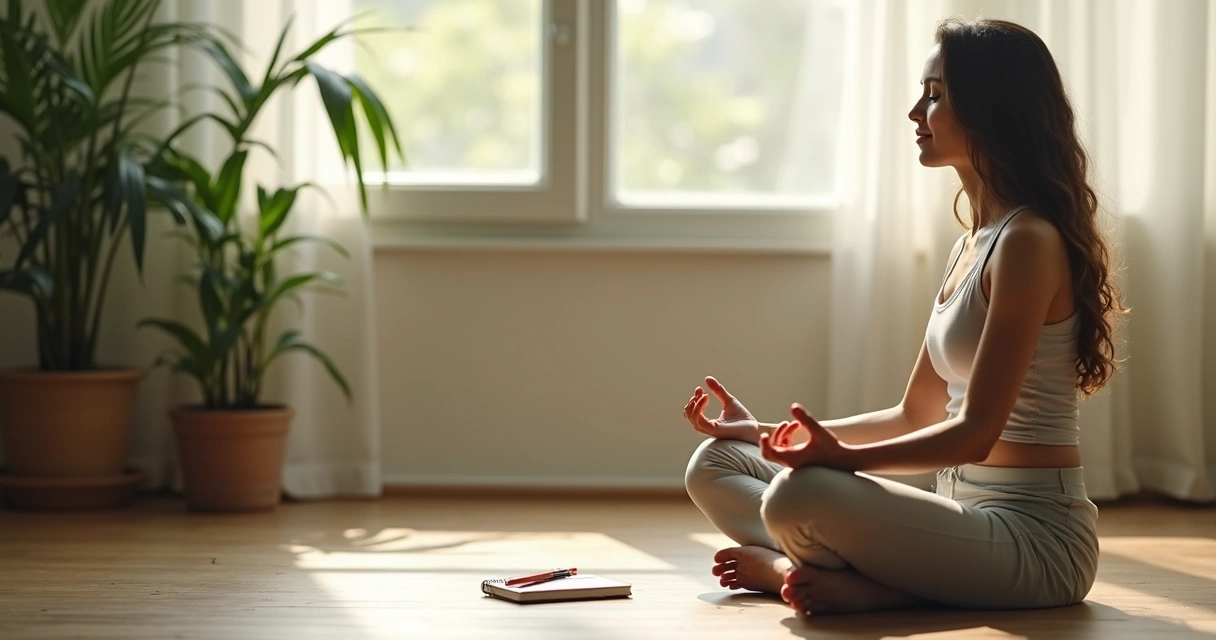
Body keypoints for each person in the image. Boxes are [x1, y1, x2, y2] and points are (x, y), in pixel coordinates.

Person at [681, 17, 1126, 619]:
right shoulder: (972, 243)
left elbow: (976, 433)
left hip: (1036, 541)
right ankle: (858, 576)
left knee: (798, 494)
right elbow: (913, 414)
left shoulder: (1029, 240)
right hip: (958, 514)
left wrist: (832, 460)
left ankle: (827, 575)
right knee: (717, 463)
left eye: (937, 95)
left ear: (992, 108)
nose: (916, 112)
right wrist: (767, 437)